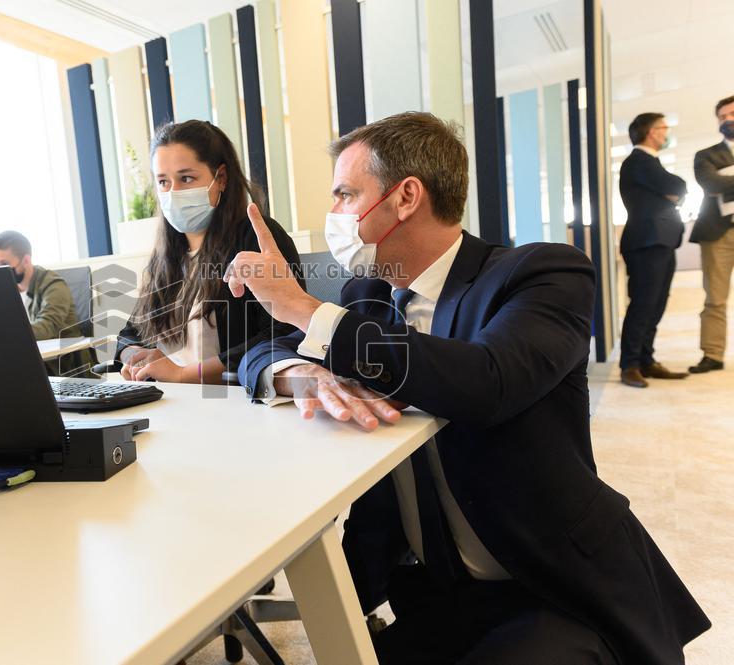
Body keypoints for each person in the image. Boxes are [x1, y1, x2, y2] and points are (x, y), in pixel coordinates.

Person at [229, 112, 709, 663]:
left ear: (406, 197)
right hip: (433, 592)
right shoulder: (365, 294)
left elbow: (488, 382)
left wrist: (304, 310)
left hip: (550, 586)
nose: (333, 214)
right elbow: (251, 356)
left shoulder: (540, 273)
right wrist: (294, 370)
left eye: (344, 195)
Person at [114, 120, 303, 384]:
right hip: (173, 398)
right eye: (163, 182)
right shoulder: (168, 255)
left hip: (229, 398)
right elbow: (130, 333)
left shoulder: (255, 237)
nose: (173, 192)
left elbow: (283, 333)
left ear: (221, 178)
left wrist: (184, 374)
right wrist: (137, 357)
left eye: (186, 178)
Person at [616, 113, 688, 388]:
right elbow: (677, 186)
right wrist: (671, 192)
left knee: (656, 304)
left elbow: (675, 192)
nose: (666, 133)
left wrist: (671, 193)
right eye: (663, 128)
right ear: (650, 132)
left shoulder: (650, 164)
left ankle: (646, 359)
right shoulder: (638, 161)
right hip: (646, 242)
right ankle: (630, 365)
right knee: (644, 304)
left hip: (661, 240)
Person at [0, 230, 93, 376]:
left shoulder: (54, 285)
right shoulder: (6, 289)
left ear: (26, 260)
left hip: (63, 368)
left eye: (4, 264)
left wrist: (5, 334)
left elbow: (46, 327)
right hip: (34, 363)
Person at [688, 94, 734, 374]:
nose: (727, 119)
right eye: (722, 116)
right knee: (715, 298)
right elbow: (710, 182)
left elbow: (722, 181)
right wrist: (722, 180)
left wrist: (726, 178)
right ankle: (713, 354)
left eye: (731, 114)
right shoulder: (706, 155)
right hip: (718, 234)